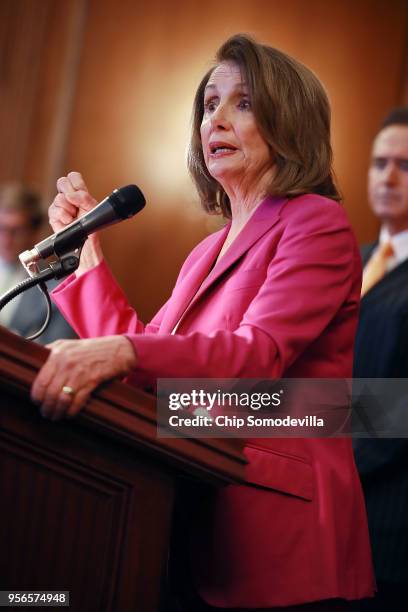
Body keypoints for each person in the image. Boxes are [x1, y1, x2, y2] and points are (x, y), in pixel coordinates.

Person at [31, 35, 375, 610]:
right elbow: (148, 363)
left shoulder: (317, 223)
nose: (215, 118)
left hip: (279, 537)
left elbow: (257, 354)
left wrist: (124, 352)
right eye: (209, 103)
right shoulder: (206, 252)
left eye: (242, 103)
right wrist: (86, 256)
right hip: (192, 516)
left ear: (289, 121)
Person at [352, 107, 408, 611]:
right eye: (379, 162)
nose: (388, 176)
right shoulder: (353, 260)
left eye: (405, 165)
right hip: (329, 508)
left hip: (390, 523)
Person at [0, 182, 76, 343]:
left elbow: (53, 351)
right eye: (2, 228)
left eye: (16, 231)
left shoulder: (58, 288)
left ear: (34, 233)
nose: (6, 239)